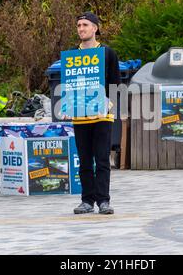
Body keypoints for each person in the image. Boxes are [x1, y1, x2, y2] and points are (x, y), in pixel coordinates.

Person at [69, 12, 120, 214]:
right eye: (79, 25)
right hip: (80, 116)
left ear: (95, 28)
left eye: (85, 25)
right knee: (84, 160)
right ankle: (87, 201)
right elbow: (69, 85)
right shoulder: (73, 55)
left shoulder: (108, 53)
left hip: (102, 115)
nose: (81, 28)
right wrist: (66, 105)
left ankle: (103, 201)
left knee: (101, 159)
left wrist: (111, 103)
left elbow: (116, 82)